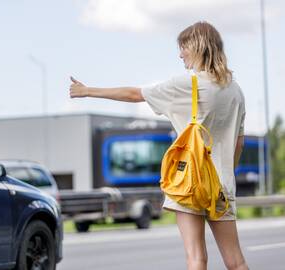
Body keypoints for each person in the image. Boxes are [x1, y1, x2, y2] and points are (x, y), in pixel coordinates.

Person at [69, 21, 248, 270]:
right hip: (221, 185)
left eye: (183, 47)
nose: (180, 54)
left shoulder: (189, 84)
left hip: (189, 181)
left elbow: (135, 94)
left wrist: (88, 90)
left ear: (197, 47)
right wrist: (225, 173)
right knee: (236, 261)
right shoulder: (235, 91)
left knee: (196, 257)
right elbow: (239, 144)